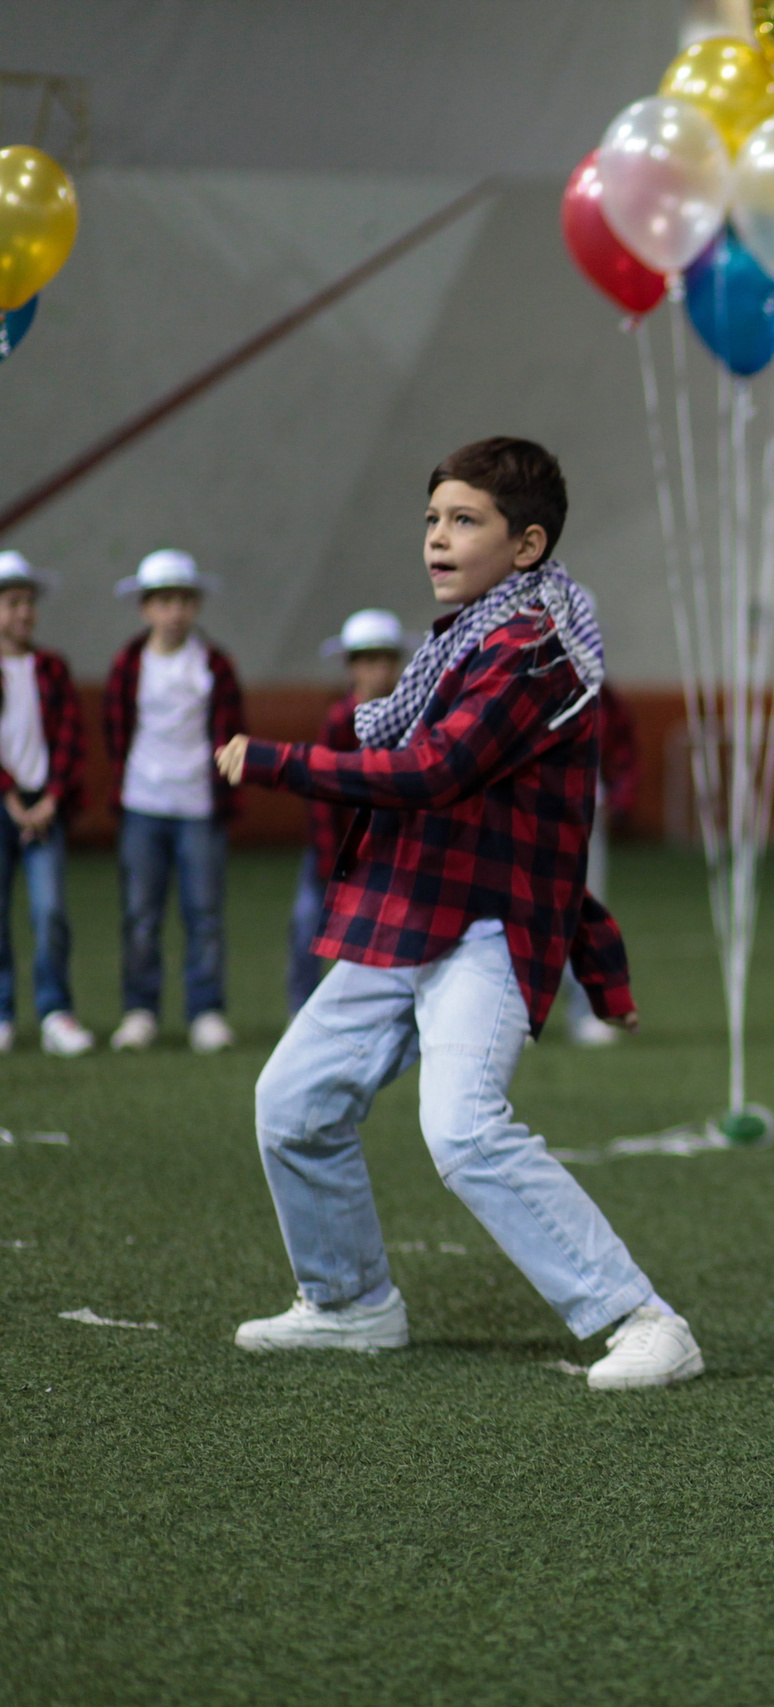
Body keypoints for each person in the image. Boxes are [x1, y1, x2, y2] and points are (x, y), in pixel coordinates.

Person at [216, 437, 701, 1390]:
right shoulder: (463, 640)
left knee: (466, 1128)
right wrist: (600, 958)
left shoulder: (533, 651)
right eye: (433, 518)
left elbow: (436, 775)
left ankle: (644, 1320)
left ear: (525, 546)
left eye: (464, 519)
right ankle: (351, 1303)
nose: (437, 537)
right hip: (404, 913)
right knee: (293, 1102)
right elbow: (512, 817)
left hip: (482, 930)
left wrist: (278, 763)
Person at [103, 549, 245, 1054]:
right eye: (163, 601)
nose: (175, 612)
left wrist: (223, 792)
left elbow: (232, 736)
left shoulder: (213, 664)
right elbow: (115, 729)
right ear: (146, 608)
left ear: (195, 605)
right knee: (140, 913)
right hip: (143, 803)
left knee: (204, 913)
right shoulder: (129, 663)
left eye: (183, 600)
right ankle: (140, 1010)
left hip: (200, 807)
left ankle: (205, 1011)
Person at [289, 610, 409, 1014]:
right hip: (339, 845)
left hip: (388, 847)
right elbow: (322, 789)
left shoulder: (410, 719)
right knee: (308, 924)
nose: (378, 670)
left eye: (386, 660)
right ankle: (301, 1009)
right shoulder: (340, 721)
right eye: (368, 660)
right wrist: (329, 853)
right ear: (351, 666)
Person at [0, 550, 94, 1057]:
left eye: (28, 602)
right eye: (12, 602)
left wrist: (52, 798)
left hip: (44, 806)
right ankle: (2, 1014)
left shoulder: (51, 668)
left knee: (50, 908)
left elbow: (71, 740)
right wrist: (10, 796)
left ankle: (56, 1011)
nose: (23, 613)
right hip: (5, 803)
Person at [556, 683, 638, 1047]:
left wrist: (620, 795)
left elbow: (624, 743)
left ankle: (587, 1010)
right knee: (516, 912)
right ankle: (516, 1014)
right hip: (525, 809)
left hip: (585, 808)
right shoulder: (515, 673)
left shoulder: (598, 689)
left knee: (585, 909)